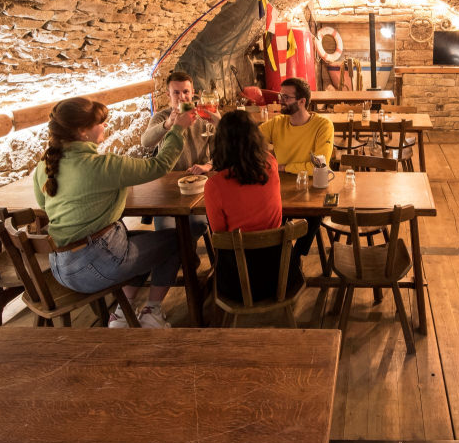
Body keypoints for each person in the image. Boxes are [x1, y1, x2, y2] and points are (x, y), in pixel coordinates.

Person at [33, 96, 197, 328]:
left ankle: (123, 311)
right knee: (178, 240)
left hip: (59, 268)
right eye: (100, 122)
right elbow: (159, 165)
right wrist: (178, 128)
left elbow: (43, 206)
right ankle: (152, 313)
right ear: (82, 131)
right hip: (96, 265)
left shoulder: (45, 165)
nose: (105, 126)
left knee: (145, 245)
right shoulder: (101, 166)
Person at [203, 110, 302, 303]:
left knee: (225, 247)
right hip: (281, 276)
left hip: (238, 283)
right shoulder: (271, 165)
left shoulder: (214, 185)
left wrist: (224, 128)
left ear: (220, 143)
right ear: (256, 137)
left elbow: (219, 236)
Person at [259, 77, 333, 257]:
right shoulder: (277, 123)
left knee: (314, 215)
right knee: (271, 217)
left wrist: (283, 167)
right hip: (280, 188)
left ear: (302, 101)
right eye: (280, 95)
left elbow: (320, 166)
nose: (280, 101)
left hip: (312, 187)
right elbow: (249, 140)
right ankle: (281, 259)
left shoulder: (323, 126)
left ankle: (295, 258)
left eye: (285, 97)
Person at [141, 70, 216, 238]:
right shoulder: (162, 117)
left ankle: (186, 257)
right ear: (168, 95)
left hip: (198, 184)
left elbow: (220, 152)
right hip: (169, 187)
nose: (182, 97)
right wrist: (168, 124)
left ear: (193, 93)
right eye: (176, 92)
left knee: (197, 225)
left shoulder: (203, 117)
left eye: (185, 92)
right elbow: (146, 142)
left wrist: (207, 165)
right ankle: (185, 258)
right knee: (166, 232)